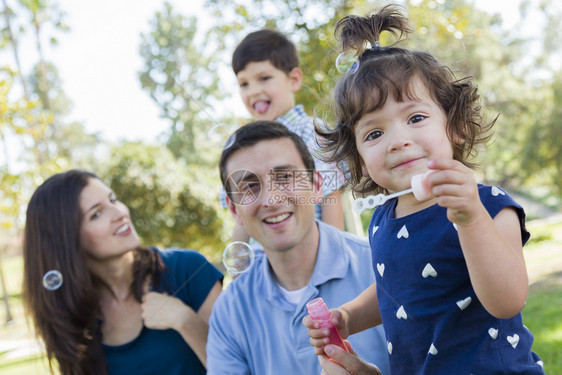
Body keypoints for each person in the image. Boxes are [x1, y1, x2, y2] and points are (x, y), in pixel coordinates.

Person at [304, 5, 545, 374]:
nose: (398, 141)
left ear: (456, 127)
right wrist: (349, 316)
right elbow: (397, 288)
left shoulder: (488, 205)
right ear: (359, 159)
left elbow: (507, 300)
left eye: (415, 118)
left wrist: (470, 218)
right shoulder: (383, 218)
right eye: (374, 133)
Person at [206, 121, 390, 375]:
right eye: (250, 186)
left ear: (316, 186)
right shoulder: (229, 311)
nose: (272, 199)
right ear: (234, 209)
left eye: (284, 177)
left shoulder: (385, 266)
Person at [22, 170, 223, 375]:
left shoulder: (188, 269)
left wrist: (187, 321)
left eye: (113, 200)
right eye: (96, 214)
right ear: (68, 242)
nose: (120, 213)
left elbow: (242, 367)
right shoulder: (72, 314)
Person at [222, 28, 350, 245]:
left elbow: (331, 198)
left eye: (264, 78)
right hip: (263, 266)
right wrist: (239, 272)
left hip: (309, 259)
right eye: (244, 83)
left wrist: (335, 258)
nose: (252, 91)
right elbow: (242, 219)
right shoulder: (239, 145)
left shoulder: (312, 131)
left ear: (293, 79)